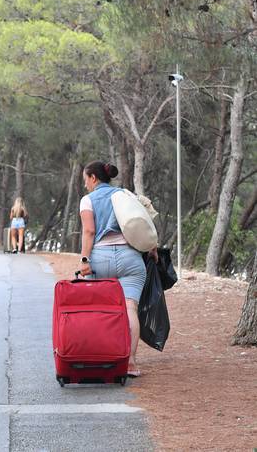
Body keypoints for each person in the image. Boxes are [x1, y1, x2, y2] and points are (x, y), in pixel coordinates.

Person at [79, 160, 157, 377]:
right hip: (130, 258)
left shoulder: (88, 200)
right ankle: (130, 363)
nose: (85, 184)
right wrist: (152, 247)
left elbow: (89, 232)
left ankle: (99, 356)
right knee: (130, 308)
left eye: (85, 179)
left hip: (100, 259)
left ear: (93, 178)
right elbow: (142, 221)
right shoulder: (124, 194)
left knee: (97, 308)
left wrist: (85, 260)